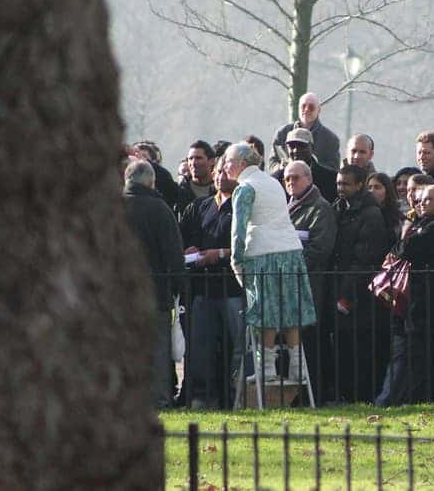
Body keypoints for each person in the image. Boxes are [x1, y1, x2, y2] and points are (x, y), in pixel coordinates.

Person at [223, 143, 316, 384]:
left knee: (265, 313)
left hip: (263, 255)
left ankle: (267, 369)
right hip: (291, 251)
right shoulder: (273, 183)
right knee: (291, 311)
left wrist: (236, 260)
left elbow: (238, 229)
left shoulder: (245, 188)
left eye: (229, 161)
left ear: (243, 164)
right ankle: (298, 368)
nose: (225, 166)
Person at [376, 186, 434, 406]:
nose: (422, 204)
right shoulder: (424, 224)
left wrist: (405, 237)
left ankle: (395, 398)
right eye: (420, 200)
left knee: (414, 351)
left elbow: (407, 248)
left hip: (429, 296)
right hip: (416, 296)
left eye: (428, 200)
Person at [178, 155, 243, 408]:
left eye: (226, 172)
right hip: (203, 288)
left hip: (232, 287)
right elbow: (183, 236)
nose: (220, 177)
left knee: (236, 346)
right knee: (201, 347)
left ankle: (236, 397)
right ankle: (203, 397)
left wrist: (220, 254)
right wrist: (189, 249)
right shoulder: (200, 206)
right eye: (218, 172)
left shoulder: (241, 206)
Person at [122, 159, 185, 408]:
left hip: (119, 291)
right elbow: (173, 252)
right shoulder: (159, 209)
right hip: (154, 290)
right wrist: (181, 286)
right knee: (158, 347)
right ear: (151, 181)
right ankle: (158, 398)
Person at [332, 165, 389, 402]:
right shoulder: (340, 209)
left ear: (359, 185)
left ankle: (362, 397)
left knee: (361, 349)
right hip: (342, 286)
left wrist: (346, 294)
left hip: (360, 295)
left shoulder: (370, 214)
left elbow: (366, 259)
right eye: (338, 184)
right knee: (344, 348)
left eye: (345, 184)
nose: (340, 189)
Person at [284, 160, 338, 398]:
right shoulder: (288, 207)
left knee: (310, 344)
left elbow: (319, 249)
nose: (290, 182)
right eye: (287, 178)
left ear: (309, 178)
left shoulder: (319, 208)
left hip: (310, 288)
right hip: (290, 288)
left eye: (296, 177)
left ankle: (314, 393)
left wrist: (288, 265)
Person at [270, 92, 340, 171]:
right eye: (303, 106)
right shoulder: (282, 133)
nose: (306, 110)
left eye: (311, 107)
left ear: (319, 110)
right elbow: (272, 162)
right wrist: (280, 168)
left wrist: (313, 168)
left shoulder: (330, 139)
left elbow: (334, 169)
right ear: (298, 108)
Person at [272, 128, 338, 203]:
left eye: (301, 146)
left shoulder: (329, 178)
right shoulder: (277, 179)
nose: (296, 150)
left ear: (312, 147)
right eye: (292, 146)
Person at [175, 140, 216, 218]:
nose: (193, 163)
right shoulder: (180, 190)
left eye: (198, 158)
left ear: (211, 161)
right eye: (190, 159)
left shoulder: (221, 189)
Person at [367, 172, 404, 249]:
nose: (371, 191)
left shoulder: (397, 216)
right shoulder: (361, 213)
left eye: (377, 187)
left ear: (387, 191)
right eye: (369, 187)